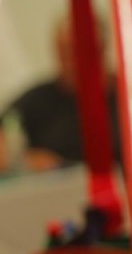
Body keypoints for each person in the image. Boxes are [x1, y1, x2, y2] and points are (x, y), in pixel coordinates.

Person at [0, 16, 120, 172]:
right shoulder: (38, 99)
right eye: (61, 51)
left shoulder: (127, 96)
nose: (67, 60)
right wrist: (23, 160)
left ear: (100, 49)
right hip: (57, 185)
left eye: (73, 50)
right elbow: (6, 127)